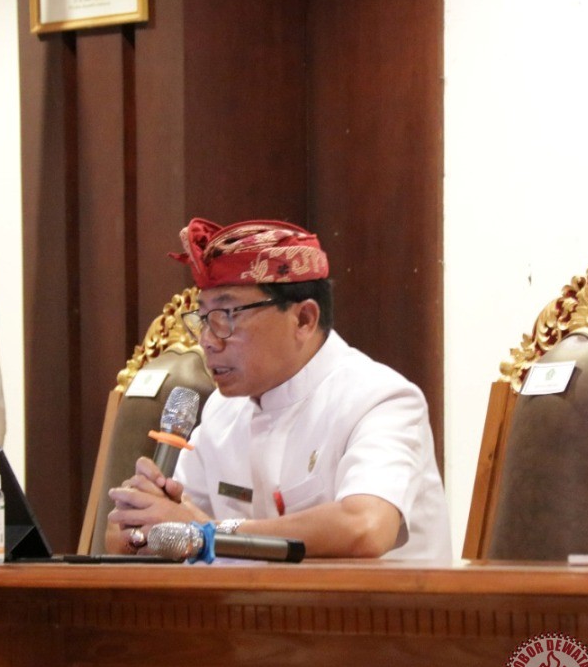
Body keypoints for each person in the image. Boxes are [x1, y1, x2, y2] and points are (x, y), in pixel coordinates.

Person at [106, 218, 452, 561]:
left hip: (372, 599)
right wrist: (139, 526)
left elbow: (365, 526)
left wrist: (207, 533)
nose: (208, 341)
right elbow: (181, 522)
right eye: (204, 319)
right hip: (249, 599)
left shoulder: (380, 399)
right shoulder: (221, 411)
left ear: (304, 319)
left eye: (227, 315)